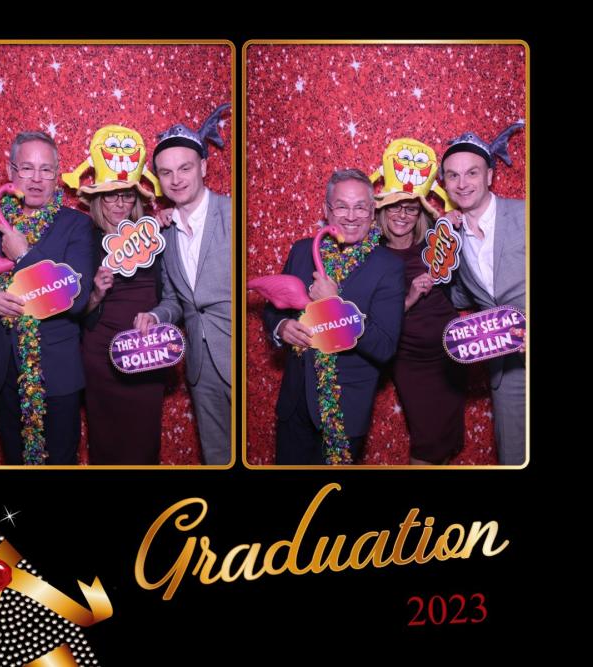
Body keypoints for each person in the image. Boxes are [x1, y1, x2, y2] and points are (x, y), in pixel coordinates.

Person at [0, 130, 95, 465]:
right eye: (27, 168)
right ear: (10, 170)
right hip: (3, 369)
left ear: (57, 174)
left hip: (57, 373)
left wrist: (23, 255)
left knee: (60, 462)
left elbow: (77, 298)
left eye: (46, 170)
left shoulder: (76, 225)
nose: (36, 179)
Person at [263, 169, 404, 465]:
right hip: (295, 405)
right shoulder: (302, 251)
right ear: (327, 210)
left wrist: (335, 305)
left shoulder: (388, 266)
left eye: (360, 207)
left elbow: (384, 346)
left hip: (343, 410)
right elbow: (274, 309)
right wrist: (282, 326)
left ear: (372, 211)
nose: (351, 216)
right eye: (341, 206)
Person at [133, 104, 232, 465]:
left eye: (185, 168)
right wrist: (156, 317)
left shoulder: (232, 213)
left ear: (203, 167)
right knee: (217, 454)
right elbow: (176, 299)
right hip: (200, 366)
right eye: (166, 172)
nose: (176, 179)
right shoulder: (165, 232)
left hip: (237, 355)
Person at [67, 124, 166, 464]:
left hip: (147, 350)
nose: (120, 203)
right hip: (101, 354)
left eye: (127, 195)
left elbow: (172, 294)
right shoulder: (84, 238)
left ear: (137, 199)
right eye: (111, 195)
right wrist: (95, 293)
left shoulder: (153, 236)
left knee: (144, 441)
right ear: (98, 199)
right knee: (105, 441)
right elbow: (72, 310)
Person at [372, 138, 466, 464]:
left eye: (410, 207)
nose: (402, 214)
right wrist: (410, 296)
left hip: (451, 352)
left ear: (419, 212)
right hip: (412, 360)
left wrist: (455, 226)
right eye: (395, 207)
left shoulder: (434, 242)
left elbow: (463, 282)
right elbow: (373, 322)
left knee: (447, 438)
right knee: (427, 440)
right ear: (382, 210)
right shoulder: (372, 257)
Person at [440, 124, 526, 465]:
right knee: (514, 456)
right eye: (453, 175)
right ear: (445, 183)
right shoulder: (451, 238)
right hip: (507, 368)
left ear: (490, 175)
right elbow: (462, 298)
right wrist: (440, 261)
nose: (462, 183)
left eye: (472, 173)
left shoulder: (523, 214)